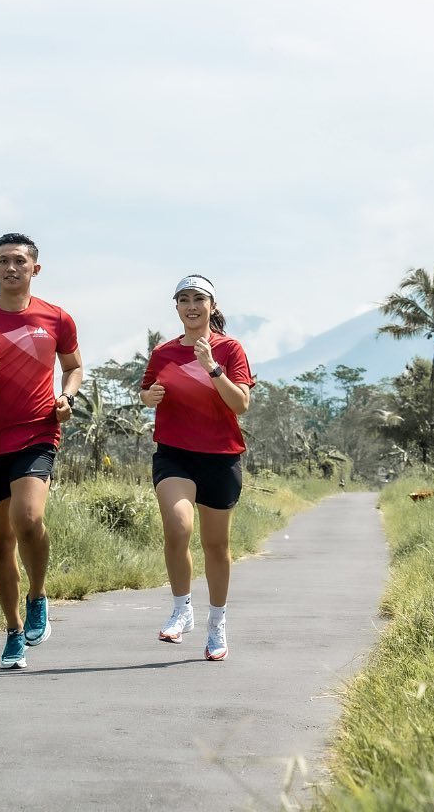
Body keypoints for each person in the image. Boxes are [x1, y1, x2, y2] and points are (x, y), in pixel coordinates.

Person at [0, 233, 83, 669]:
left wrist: (68, 398)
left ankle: (38, 594)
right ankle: (12, 629)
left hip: (37, 434)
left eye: (19, 261)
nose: (11, 267)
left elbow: (74, 367)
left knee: (28, 519)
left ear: (34, 269)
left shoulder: (57, 318)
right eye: (3, 261)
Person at [140, 274, 254, 661]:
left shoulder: (230, 350)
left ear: (211, 306)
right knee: (178, 525)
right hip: (174, 453)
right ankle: (181, 607)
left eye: (198, 299)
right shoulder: (163, 352)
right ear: (176, 307)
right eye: (184, 299)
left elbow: (240, 404)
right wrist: (148, 395)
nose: (191, 306)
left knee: (216, 546)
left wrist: (212, 367)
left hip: (220, 457)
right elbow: (146, 390)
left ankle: (217, 623)